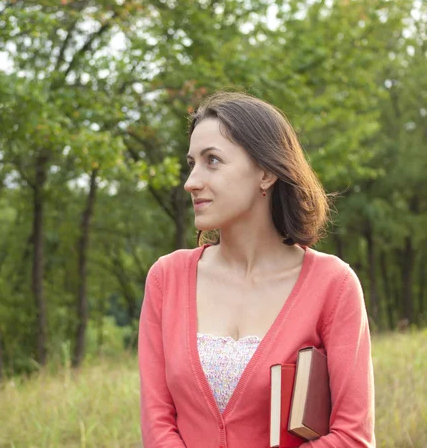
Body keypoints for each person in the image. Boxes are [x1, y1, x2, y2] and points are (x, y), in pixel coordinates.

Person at [137, 91, 375, 447]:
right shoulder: (166, 279)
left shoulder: (334, 286)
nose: (191, 182)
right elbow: (157, 427)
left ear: (265, 173)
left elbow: (353, 436)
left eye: (212, 161)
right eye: (192, 164)